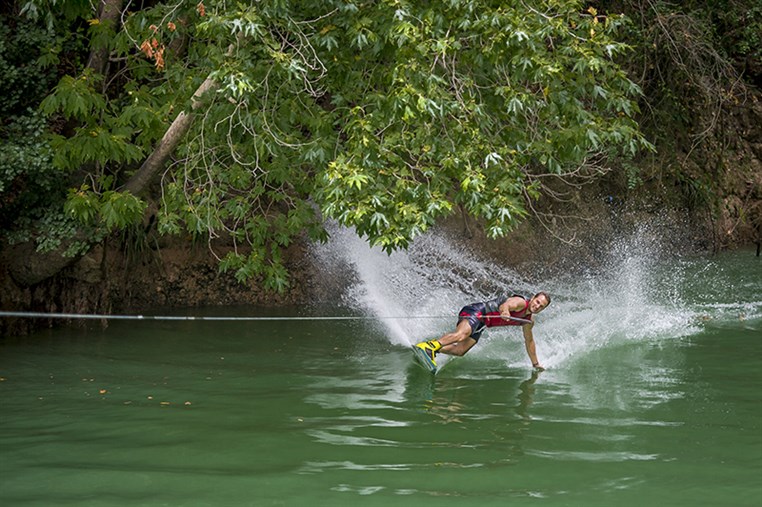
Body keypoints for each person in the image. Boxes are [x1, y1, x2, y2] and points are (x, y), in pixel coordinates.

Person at [415, 292, 551, 370]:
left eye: (541, 306)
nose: (537, 306)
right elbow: (507, 304)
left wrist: (535, 364)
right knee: (462, 335)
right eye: (537, 301)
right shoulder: (521, 302)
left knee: (460, 350)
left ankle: (429, 348)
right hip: (478, 312)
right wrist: (505, 311)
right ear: (532, 298)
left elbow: (529, 340)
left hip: (482, 324)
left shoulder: (528, 321)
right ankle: (429, 347)